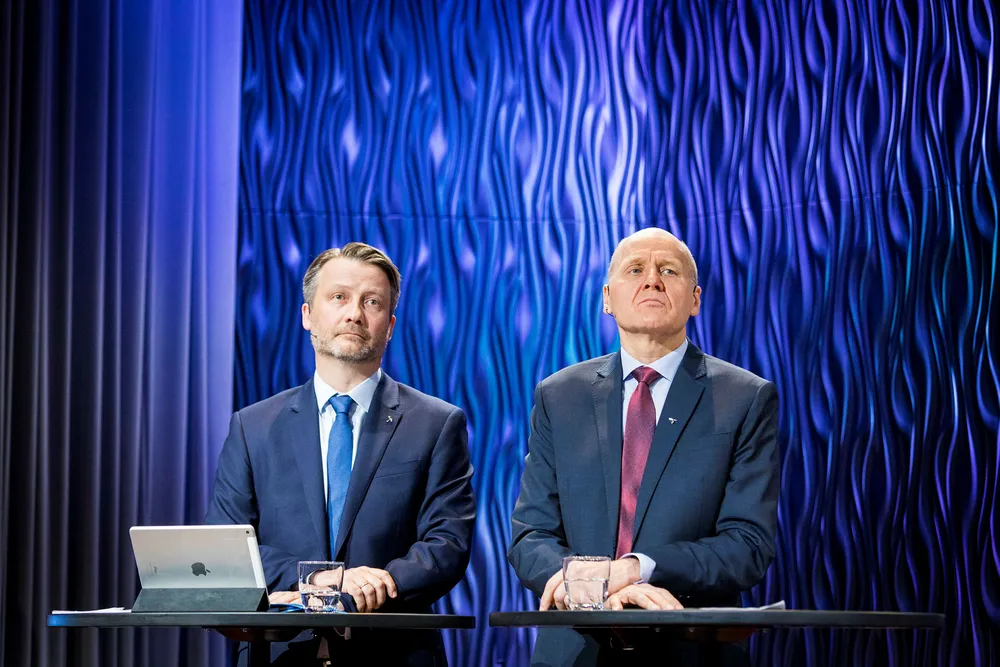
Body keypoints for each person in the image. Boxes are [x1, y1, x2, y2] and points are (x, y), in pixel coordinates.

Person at [507, 228, 779, 666]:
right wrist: (588, 584)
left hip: (691, 651)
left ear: (695, 299)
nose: (651, 279)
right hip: (576, 650)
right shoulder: (559, 395)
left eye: (668, 271)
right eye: (635, 270)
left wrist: (635, 569)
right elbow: (530, 536)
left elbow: (746, 545)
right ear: (607, 298)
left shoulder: (745, 398)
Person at [207, 242, 476, 666]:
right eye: (339, 297)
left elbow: (447, 545)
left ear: (390, 325)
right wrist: (321, 579)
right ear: (307, 315)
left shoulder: (437, 424)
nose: (354, 313)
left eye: (372, 302)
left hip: (393, 655)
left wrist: (369, 588)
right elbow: (227, 548)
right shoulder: (252, 426)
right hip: (276, 654)